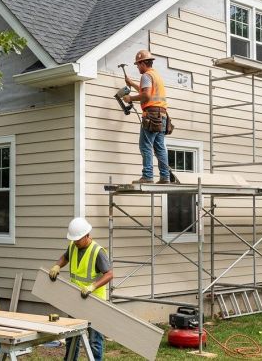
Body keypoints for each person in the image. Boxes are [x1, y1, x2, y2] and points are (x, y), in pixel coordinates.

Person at [49, 218, 113, 361]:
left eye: (78, 239)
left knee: (94, 341)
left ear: (87, 235)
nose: (76, 242)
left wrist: (93, 286)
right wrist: (58, 265)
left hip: (95, 301)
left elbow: (109, 274)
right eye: (74, 239)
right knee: (72, 336)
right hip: (76, 300)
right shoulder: (73, 246)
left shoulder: (97, 251)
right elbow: (65, 257)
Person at [122, 49, 170, 184]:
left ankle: (148, 176)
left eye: (138, 65)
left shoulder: (146, 76)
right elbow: (146, 90)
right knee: (160, 147)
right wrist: (131, 84)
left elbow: (147, 95)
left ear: (143, 63)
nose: (137, 67)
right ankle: (165, 177)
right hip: (162, 115)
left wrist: (130, 98)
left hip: (152, 114)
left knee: (145, 145)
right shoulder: (156, 75)